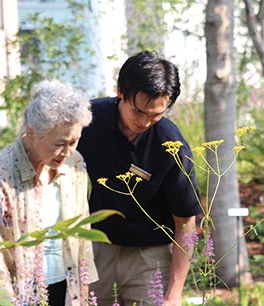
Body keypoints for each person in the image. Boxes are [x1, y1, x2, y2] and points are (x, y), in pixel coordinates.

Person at [77, 51, 201, 305]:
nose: (145, 122)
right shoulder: (89, 121)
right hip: (97, 248)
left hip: (150, 257)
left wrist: (174, 294)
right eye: (139, 111)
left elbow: (186, 222)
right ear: (121, 91)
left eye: (156, 114)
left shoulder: (172, 146)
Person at [0, 79, 98, 306]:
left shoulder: (75, 164)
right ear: (31, 133)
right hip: (21, 292)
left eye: (74, 142)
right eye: (59, 144)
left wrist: (84, 287)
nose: (67, 152)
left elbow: (83, 232)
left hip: (67, 286)